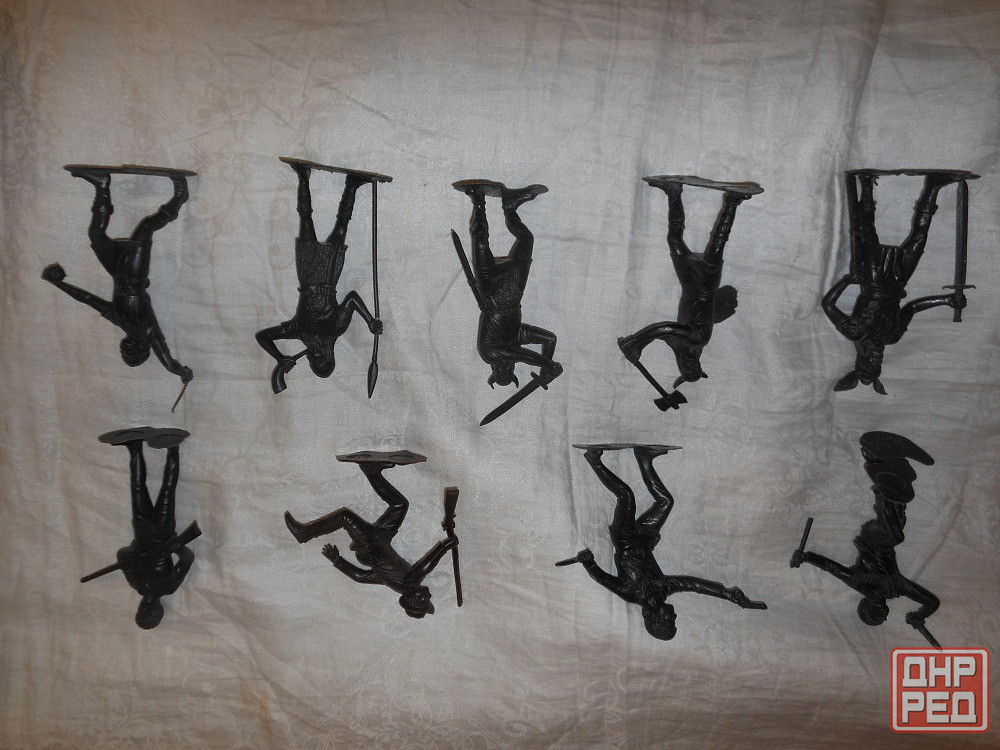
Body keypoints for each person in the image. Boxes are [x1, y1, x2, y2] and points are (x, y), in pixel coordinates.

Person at [558, 445, 766, 640]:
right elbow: (694, 584)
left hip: (626, 540)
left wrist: (589, 563)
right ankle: (644, 459)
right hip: (645, 537)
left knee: (626, 495)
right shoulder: (664, 589)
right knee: (666, 502)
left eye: (670, 621)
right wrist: (726, 594)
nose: (674, 616)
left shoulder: (632, 594)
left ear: (656, 619)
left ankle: (593, 458)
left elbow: (602, 578)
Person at [823, 170, 971, 393]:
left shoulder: (856, 331)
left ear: (860, 360)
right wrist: (946, 300)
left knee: (867, 231)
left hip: (872, 280)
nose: (877, 359)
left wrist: (847, 280)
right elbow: (911, 308)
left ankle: (866, 184)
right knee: (919, 238)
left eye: (870, 364)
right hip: (897, 283)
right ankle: (933, 186)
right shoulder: (892, 337)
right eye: (878, 365)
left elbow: (827, 305)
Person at [42, 167, 193, 383]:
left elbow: (87, 299)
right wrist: (182, 374)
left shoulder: (119, 320)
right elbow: (168, 361)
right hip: (134, 277)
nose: (126, 349)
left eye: (124, 353)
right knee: (145, 228)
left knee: (96, 235)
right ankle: (180, 197)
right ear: (143, 348)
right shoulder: (148, 331)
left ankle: (102, 184)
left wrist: (57, 283)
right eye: (132, 353)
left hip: (116, 272)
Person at [619, 176, 759, 408]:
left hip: (687, 282)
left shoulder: (677, 345)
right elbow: (667, 327)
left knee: (674, 239)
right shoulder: (699, 339)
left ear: (681, 369)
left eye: (688, 370)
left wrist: (639, 344)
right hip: (705, 284)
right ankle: (734, 201)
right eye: (695, 368)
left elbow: (662, 333)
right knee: (717, 243)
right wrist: (636, 343)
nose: (691, 365)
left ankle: (674, 192)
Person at [791, 432, 940, 642]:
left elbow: (832, 568)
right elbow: (932, 602)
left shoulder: (859, 582)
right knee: (898, 515)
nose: (884, 618)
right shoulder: (896, 589)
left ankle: (877, 462)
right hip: (885, 542)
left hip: (872, 541)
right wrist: (920, 615)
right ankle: (892, 464)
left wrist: (806, 557)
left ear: (869, 609)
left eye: (878, 619)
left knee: (894, 534)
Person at [256, 162, 381, 393]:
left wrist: (280, 358)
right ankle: (352, 185)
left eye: (315, 361)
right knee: (341, 227)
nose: (316, 356)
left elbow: (262, 337)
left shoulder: (298, 331)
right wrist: (370, 321)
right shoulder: (337, 327)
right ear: (330, 355)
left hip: (308, 273)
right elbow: (352, 298)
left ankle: (302, 175)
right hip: (330, 274)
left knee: (306, 221)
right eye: (323, 360)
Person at [285, 451, 457, 618]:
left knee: (344, 516)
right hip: (382, 539)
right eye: (427, 600)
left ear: (412, 600)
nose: (427, 596)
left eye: (422, 601)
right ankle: (371, 470)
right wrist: (337, 560)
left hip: (372, 546)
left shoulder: (408, 584)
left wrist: (444, 546)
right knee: (400, 505)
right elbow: (360, 577)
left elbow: (423, 568)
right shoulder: (394, 583)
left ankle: (304, 533)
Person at [82, 428, 199, 630]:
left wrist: (136, 553)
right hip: (163, 533)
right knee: (167, 490)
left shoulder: (137, 583)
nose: (144, 609)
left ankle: (134, 447)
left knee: (137, 487)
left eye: (141, 613)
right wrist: (172, 547)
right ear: (158, 611)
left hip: (142, 533)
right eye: (149, 614)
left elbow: (123, 555)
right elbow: (188, 557)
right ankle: (173, 448)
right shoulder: (169, 587)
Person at [455, 180, 562, 391]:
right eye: (508, 371)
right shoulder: (517, 337)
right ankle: (510, 208)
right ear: (513, 368)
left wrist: (548, 365)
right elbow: (549, 339)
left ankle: (478, 199)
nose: (504, 368)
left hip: (489, 291)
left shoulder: (489, 353)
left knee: (480, 241)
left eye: (499, 372)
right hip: (512, 290)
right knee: (526, 239)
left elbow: (520, 355)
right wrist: (545, 370)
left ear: (493, 368)